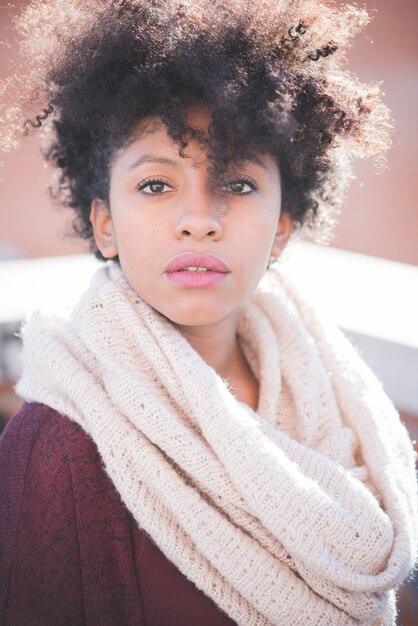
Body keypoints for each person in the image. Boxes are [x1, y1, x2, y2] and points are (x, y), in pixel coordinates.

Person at [0, 1, 416, 624]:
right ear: (105, 223)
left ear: (282, 228)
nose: (199, 218)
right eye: (156, 185)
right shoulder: (56, 446)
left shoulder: (342, 401)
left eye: (238, 184)